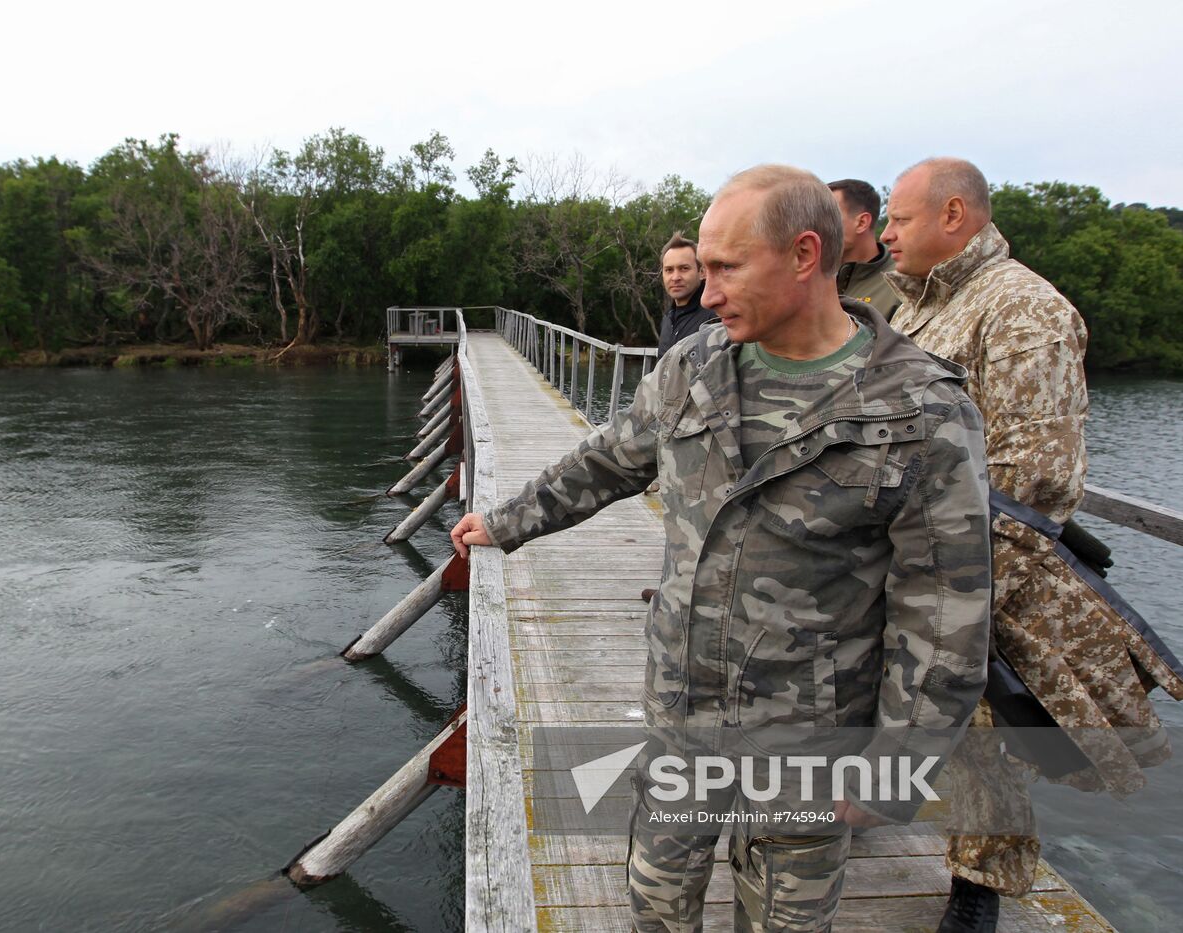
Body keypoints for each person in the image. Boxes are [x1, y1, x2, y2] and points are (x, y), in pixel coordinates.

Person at [451, 165, 993, 932]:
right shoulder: (692, 369)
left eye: (725, 268)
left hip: (809, 744)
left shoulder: (921, 410)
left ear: (805, 255)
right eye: (700, 268)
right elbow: (606, 461)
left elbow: (946, 613)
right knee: (656, 907)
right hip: (679, 717)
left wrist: (896, 765)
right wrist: (504, 521)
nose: (704, 293)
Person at [881, 157, 1089, 933]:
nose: (886, 233)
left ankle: (980, 887)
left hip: (974, 563)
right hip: (905, 550)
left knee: (982, 730)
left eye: (899, 219)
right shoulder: (920, 308)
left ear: (954, 214)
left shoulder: (1020, 310)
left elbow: (1033, 476)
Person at [828, 178, 900, 318]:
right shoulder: (813, 278)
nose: (816, 226)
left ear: (861, 223)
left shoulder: (901, 283)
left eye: (828, 217)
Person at [655, 232, 714, 356]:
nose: (675, 277)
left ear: (702, 272)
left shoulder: (715, 317)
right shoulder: (668, 319)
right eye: (669, 270)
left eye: (684, 268)